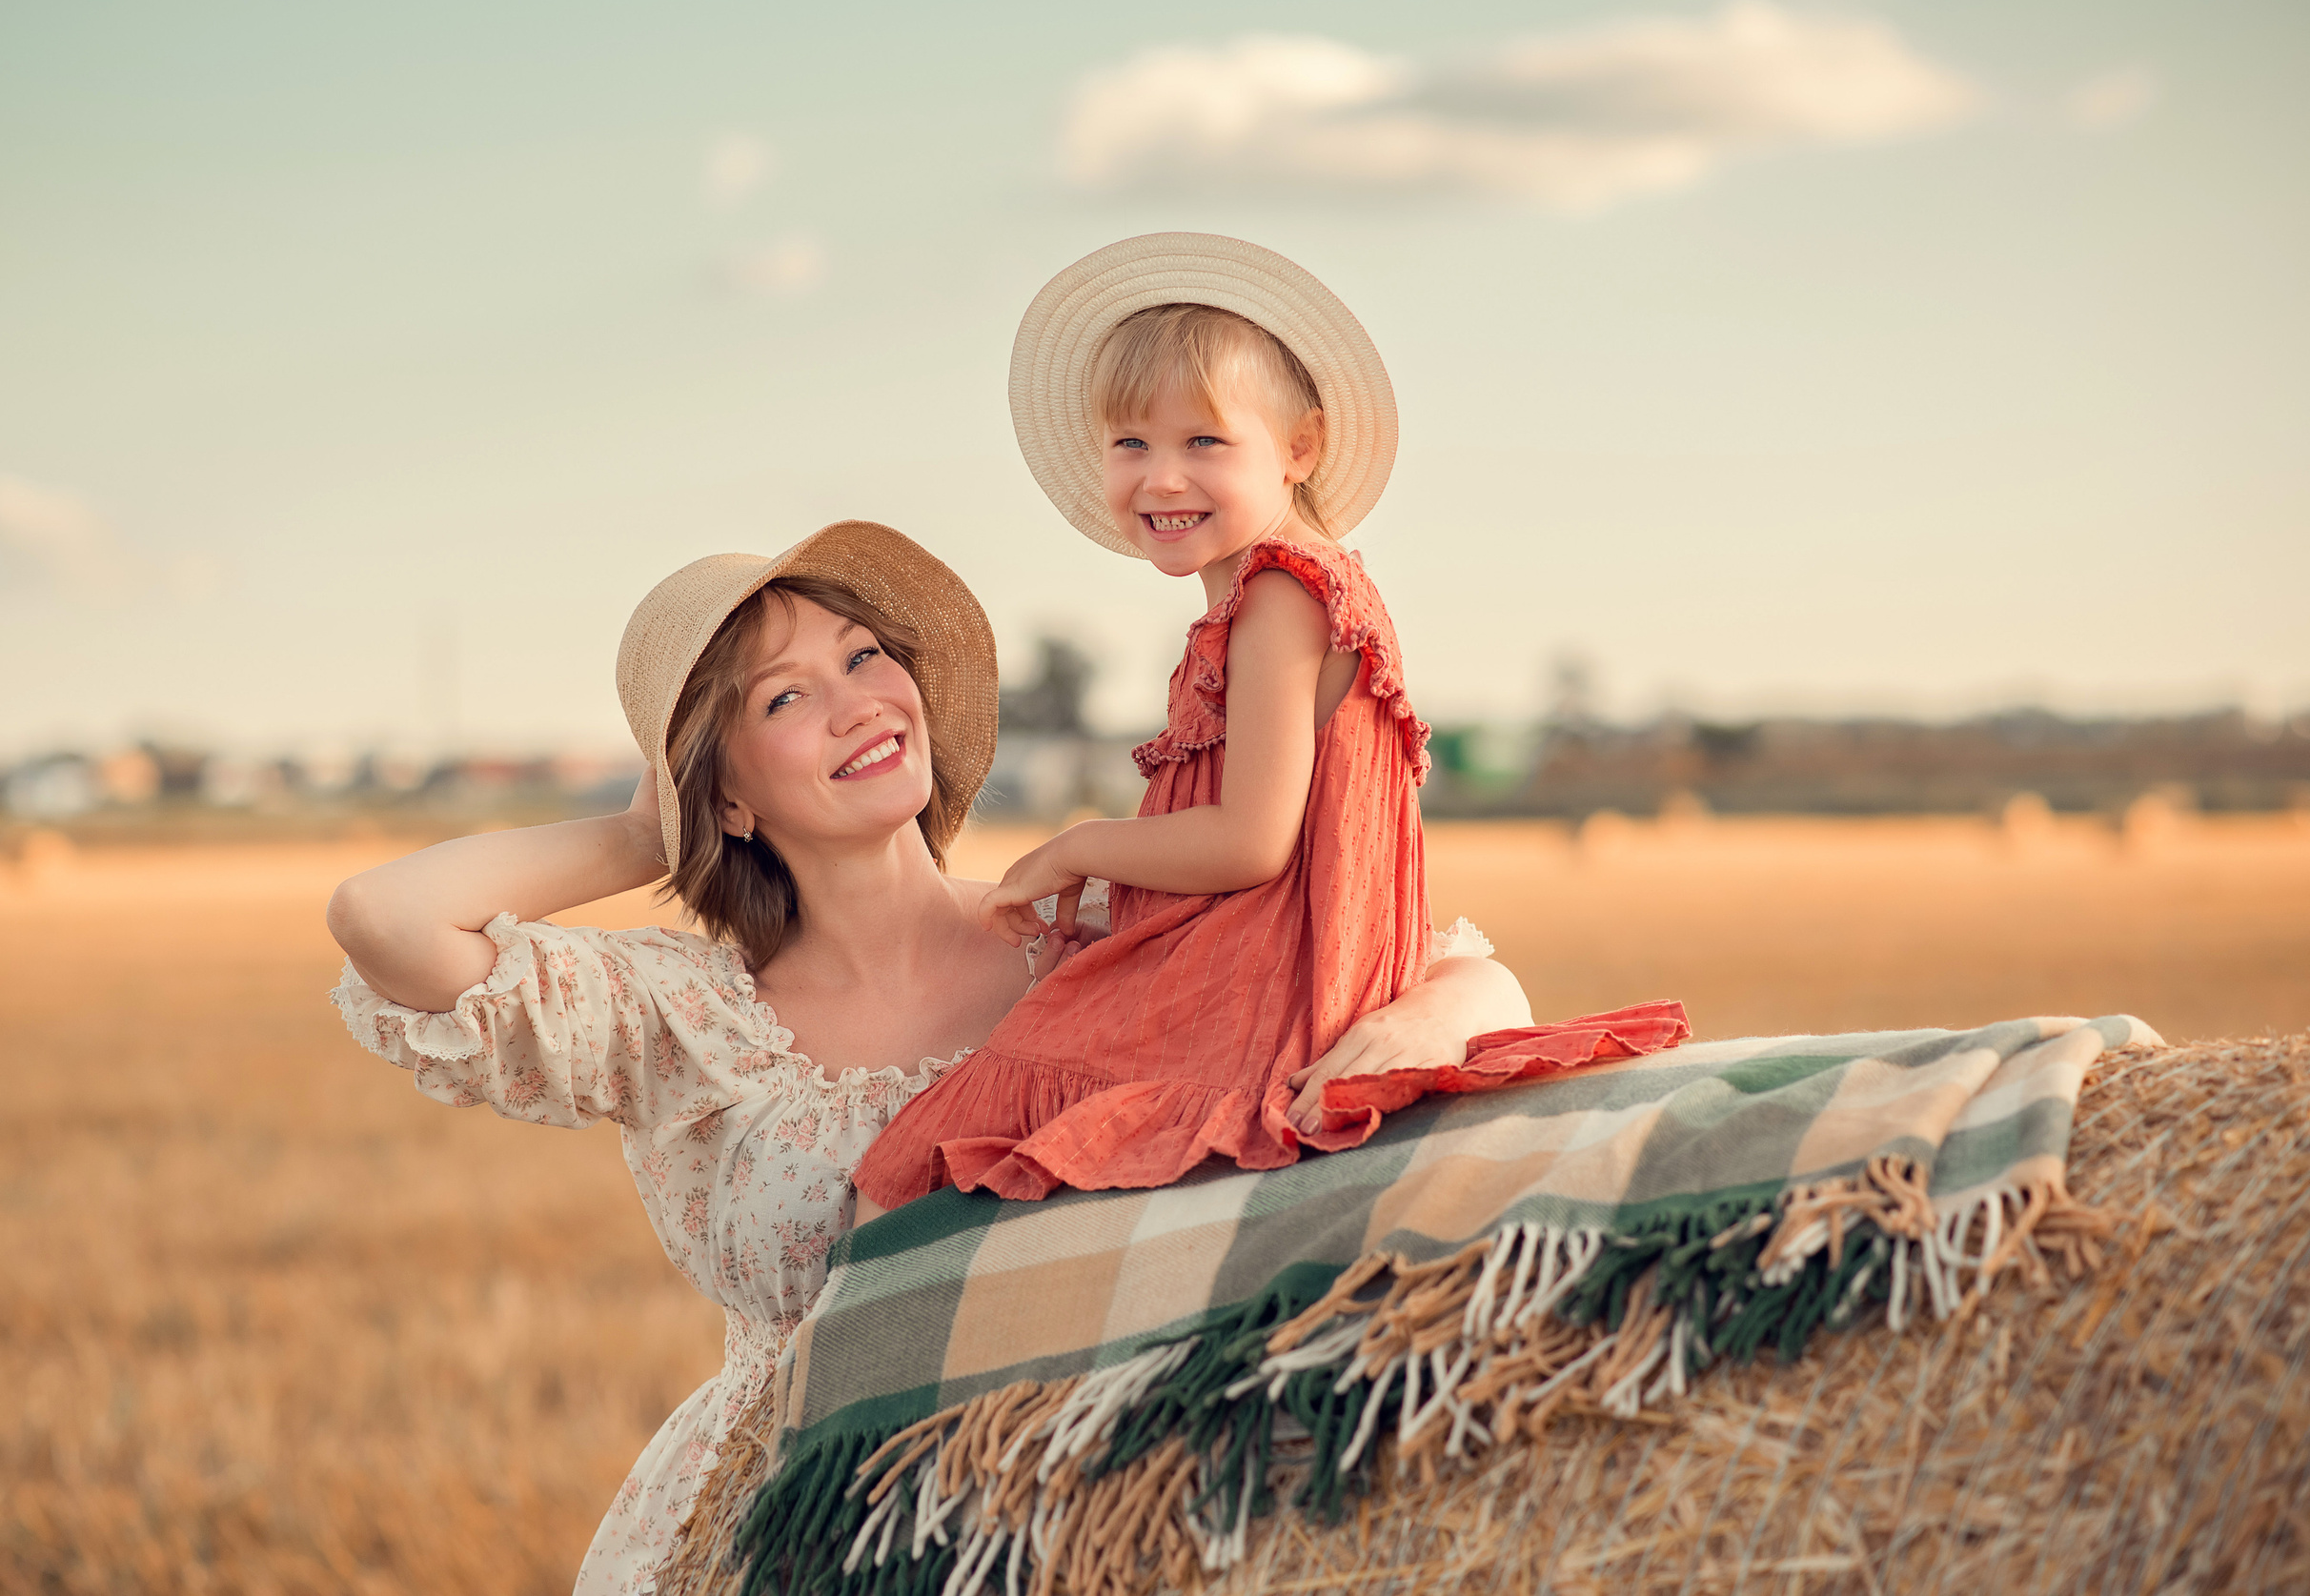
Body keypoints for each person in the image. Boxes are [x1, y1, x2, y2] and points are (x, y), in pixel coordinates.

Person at [324, 520, 1531, 1595]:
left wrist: (1446, 1010)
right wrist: (642, 830)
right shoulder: (684, 1014)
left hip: (1089, 1503)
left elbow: (1441, 968)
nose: (856, 702)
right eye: (780, 700)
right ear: (727, 792)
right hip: (792, 1523)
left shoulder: (1097, 934)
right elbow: (389, 921)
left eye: (863, 656)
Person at [857, 233, 1553, 1213]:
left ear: (1298, 447)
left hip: (1270, 984)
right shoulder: (1261, 600)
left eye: (1204, 443)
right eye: (1130, 444)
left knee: (957, 1133)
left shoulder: (1282, 593)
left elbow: (1250, 840)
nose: (1161, 478)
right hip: (1261, 948)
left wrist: (1080, 846)